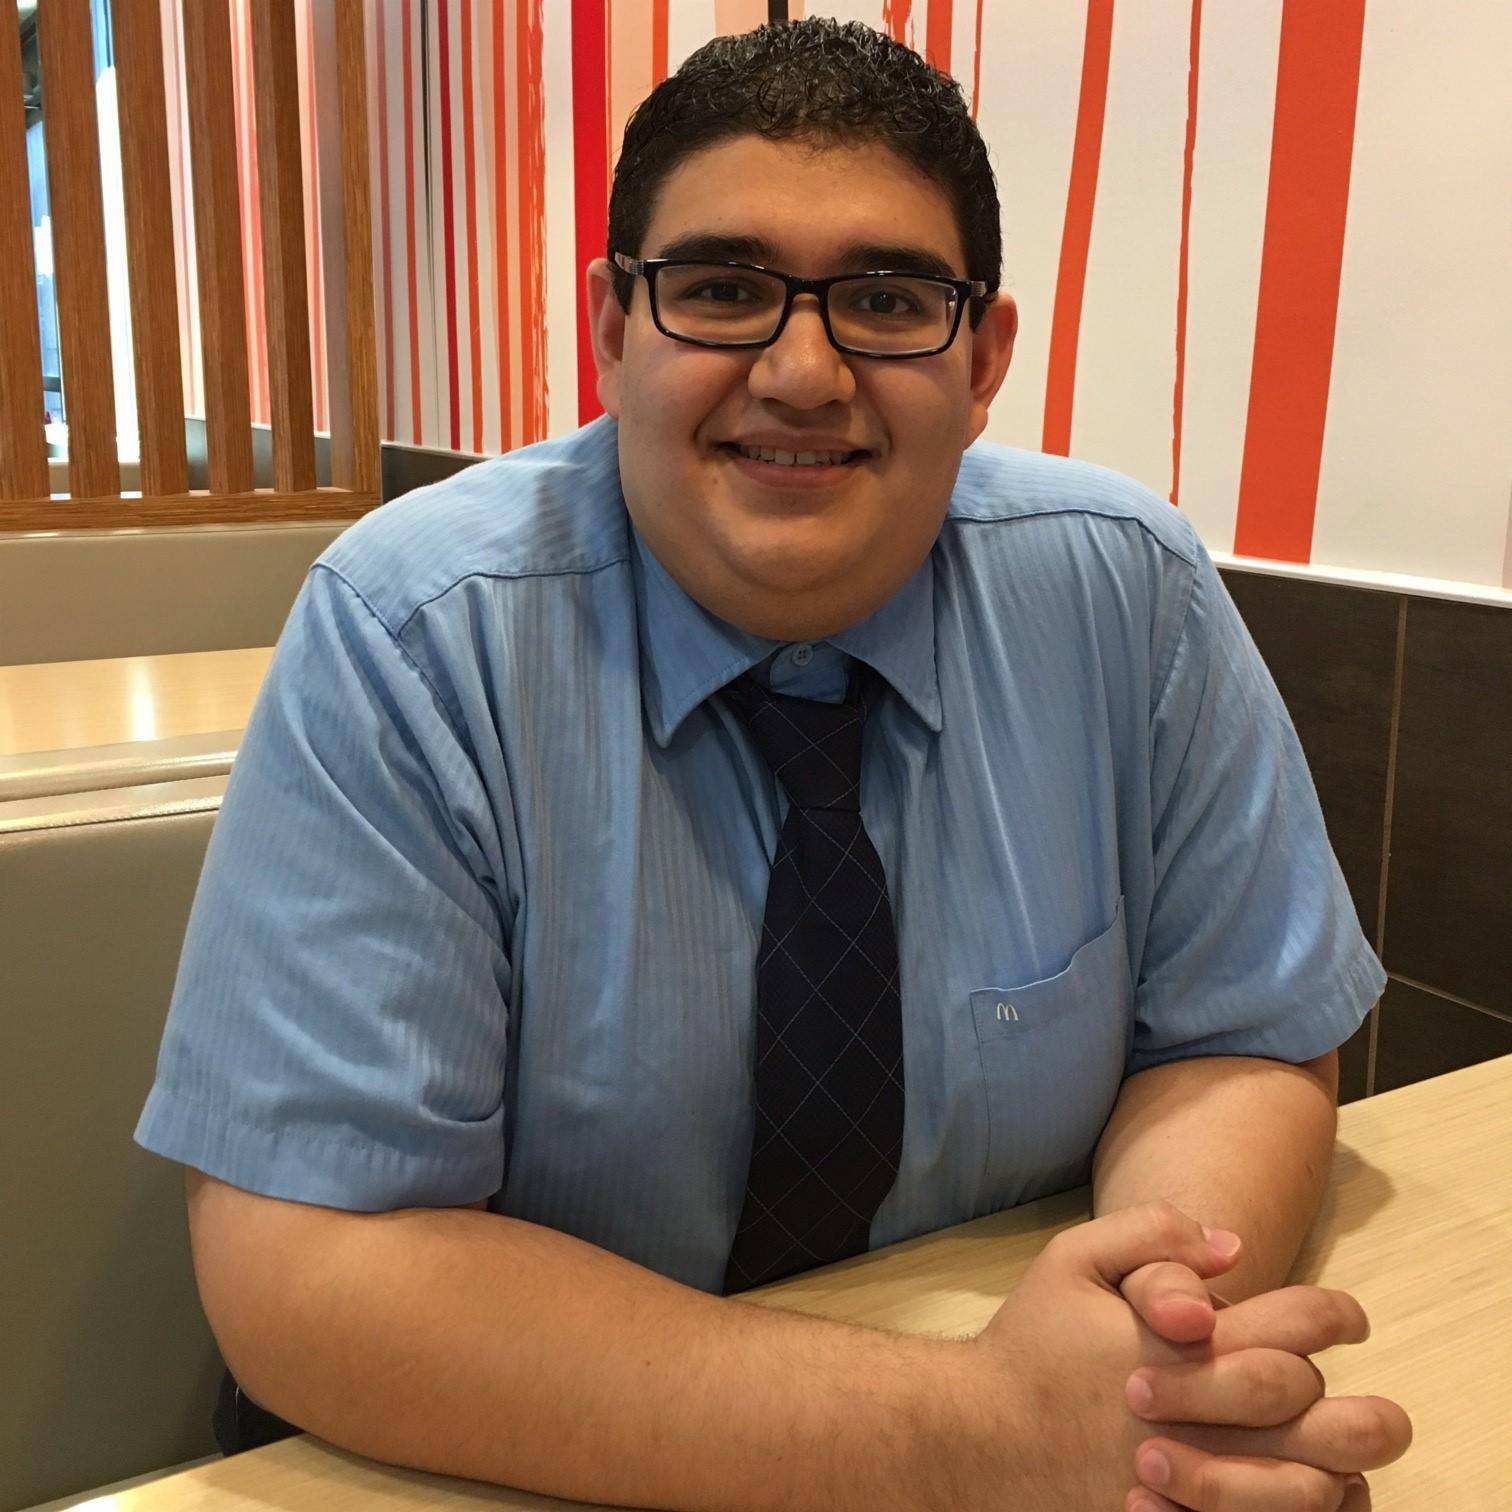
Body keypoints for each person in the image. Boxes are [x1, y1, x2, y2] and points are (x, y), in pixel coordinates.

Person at [136, 19, 1411, 1511]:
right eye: (724, 290)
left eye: (887, 300)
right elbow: (312, 1266)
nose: (803, 373)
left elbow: (1242, 1039)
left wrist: (1156, 1353)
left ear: (984, 360)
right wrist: (983, 1433)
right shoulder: (412, 635)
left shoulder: (1129, 591)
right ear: (614, 327)